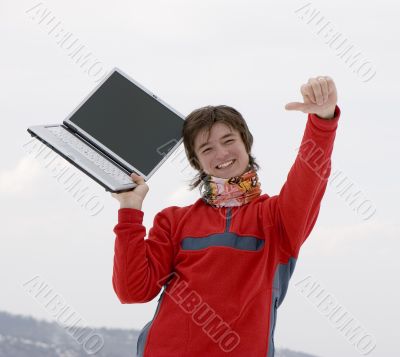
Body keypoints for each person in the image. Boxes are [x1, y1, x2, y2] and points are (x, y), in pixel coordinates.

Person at [111, 75, 341, 357]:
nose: (221, 153)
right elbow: (132, 291)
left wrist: (322, 121)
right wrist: (130, 210)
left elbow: (309, 177)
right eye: (207, 148)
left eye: (228, 140)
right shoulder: (173, 221)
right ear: (197, 161)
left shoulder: (277, 219)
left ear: (245, 143)